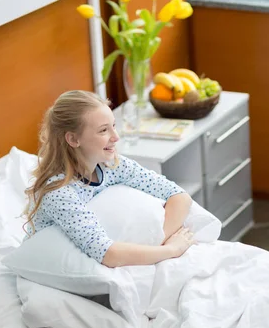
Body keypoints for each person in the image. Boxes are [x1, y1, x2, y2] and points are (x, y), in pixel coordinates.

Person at [23, 90, 195, 268]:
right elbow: (107, 254)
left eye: (114, 125)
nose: (116, 136)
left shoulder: (112, 165)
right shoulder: (58, 192)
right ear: (73, 139)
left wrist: (158, 242)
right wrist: (172, 250)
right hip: (51, 265)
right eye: (103, 130)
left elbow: (179, 196)